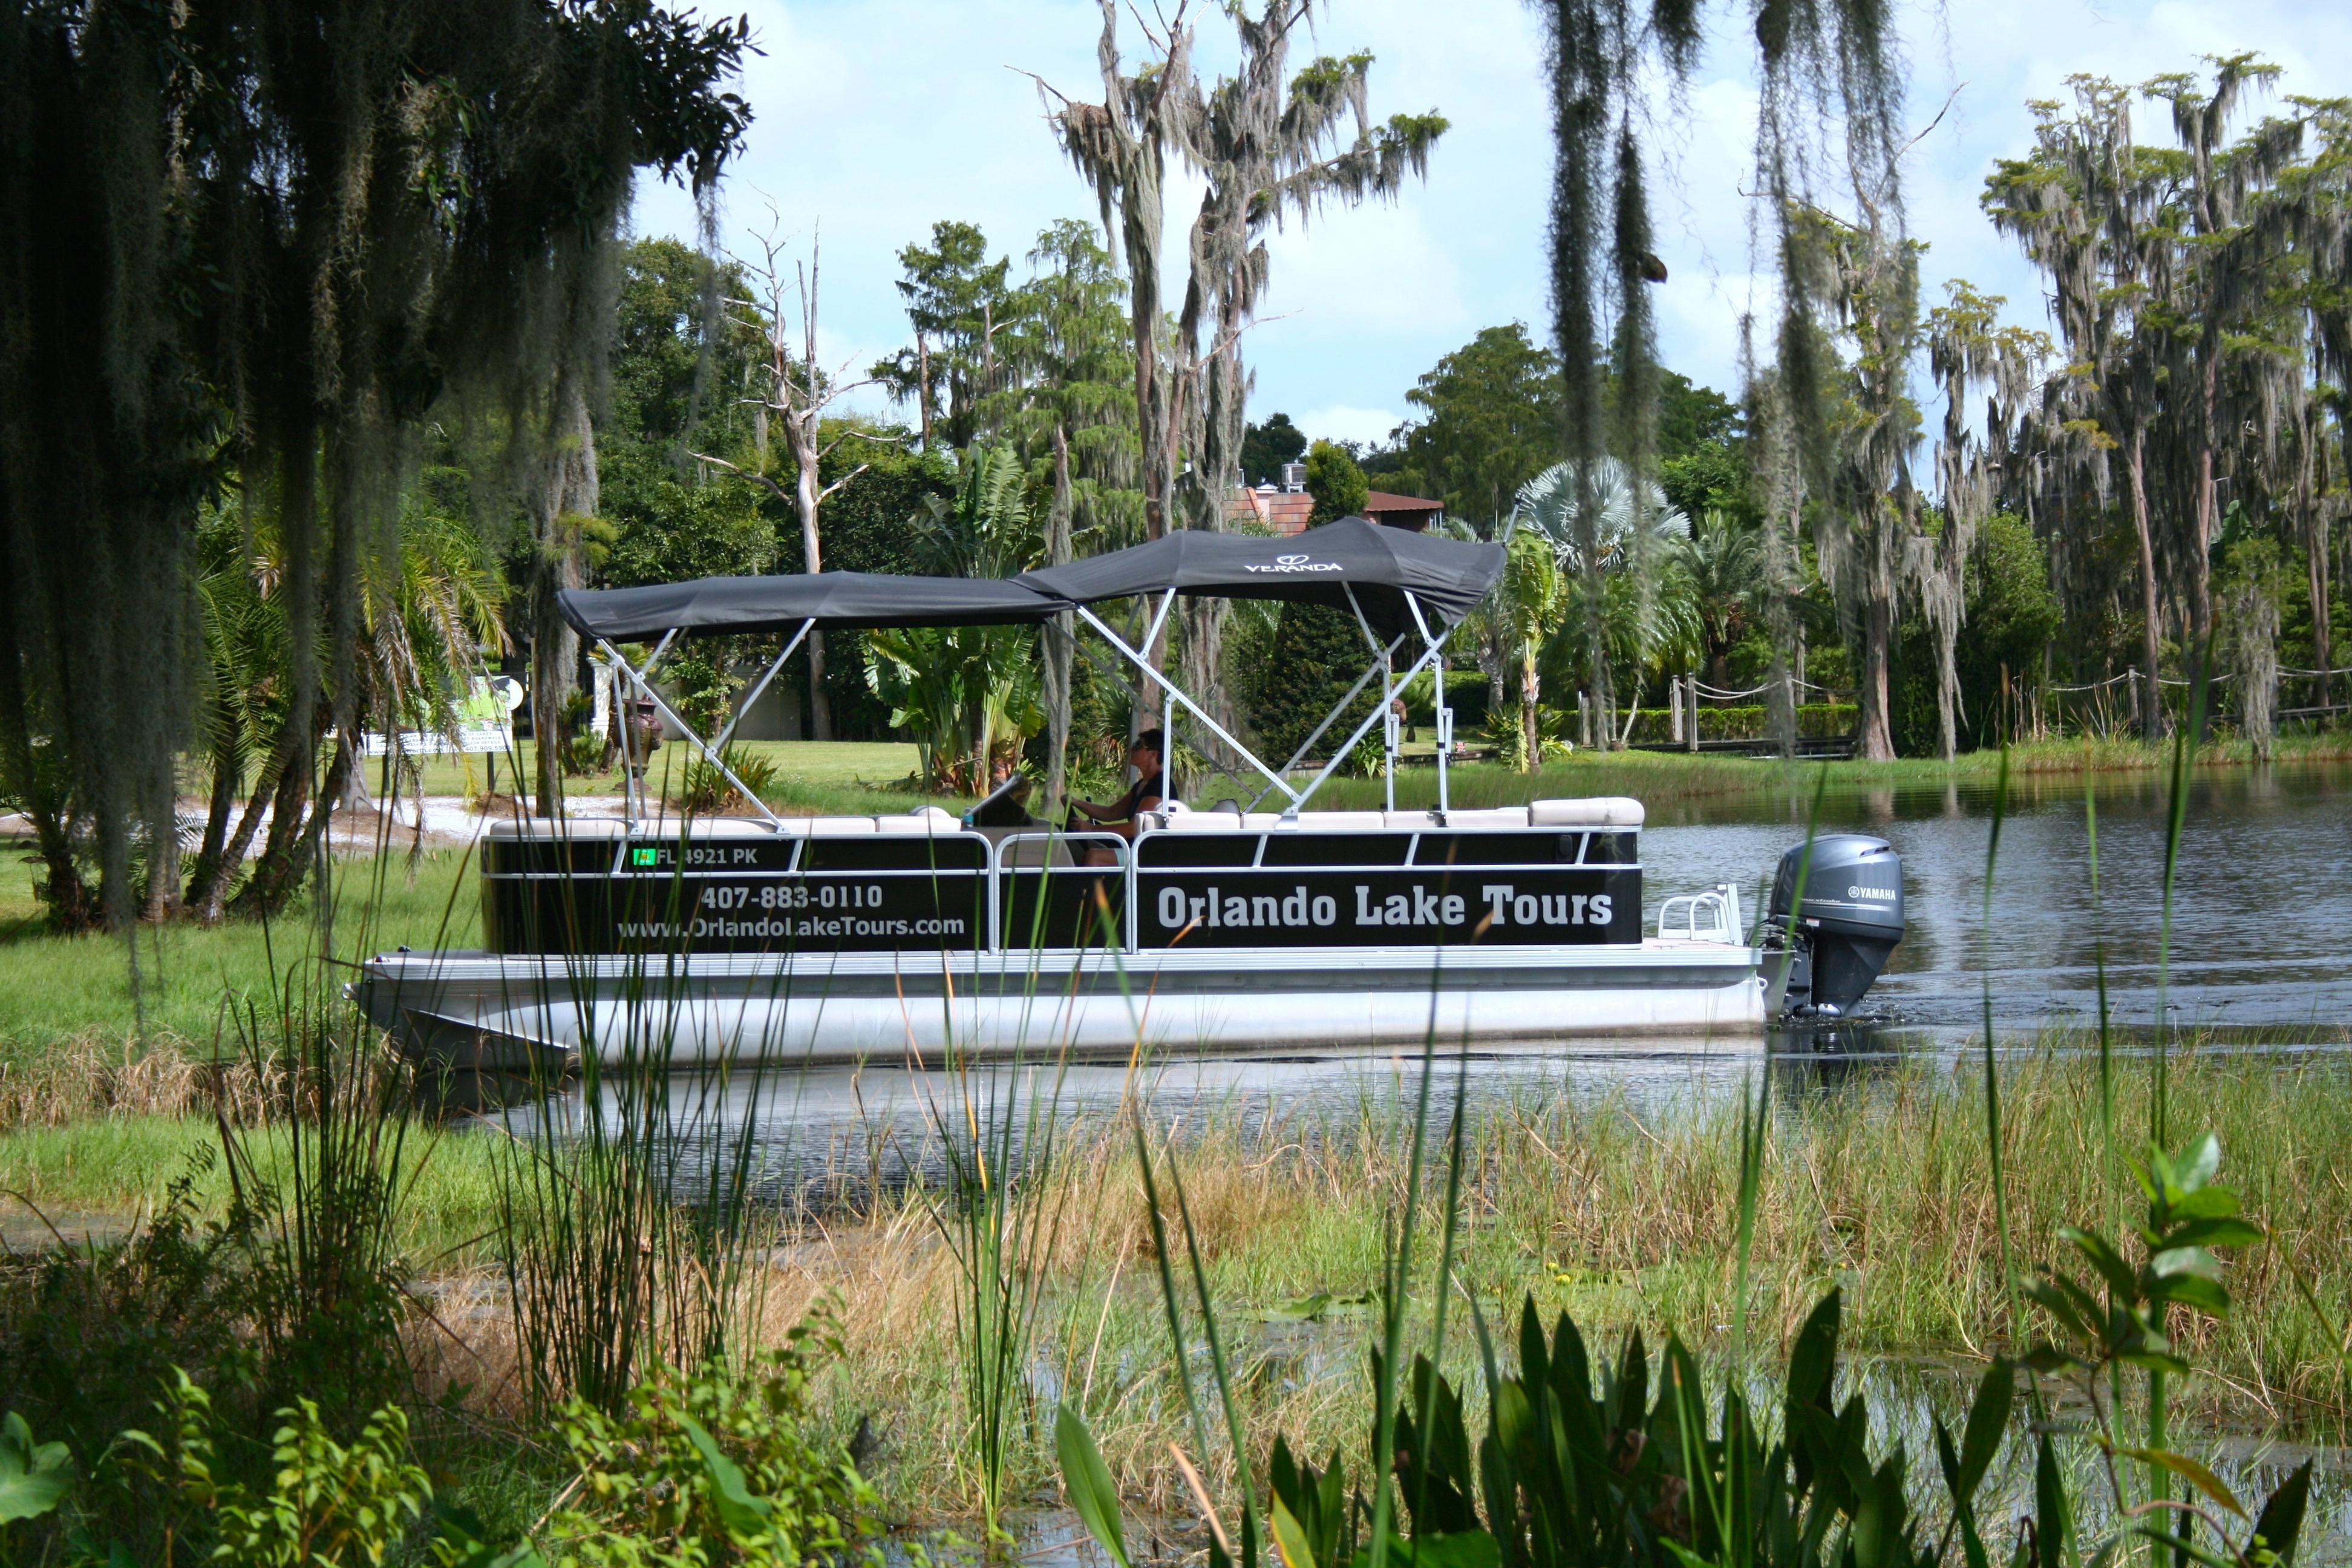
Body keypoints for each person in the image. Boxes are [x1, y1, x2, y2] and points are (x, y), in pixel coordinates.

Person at [1067, 728, 1166, 861]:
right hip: (1134, 847)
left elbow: (1134, 828)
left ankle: (1092, 882)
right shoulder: (1142, 784)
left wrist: (1091, 829)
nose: (1132, 750)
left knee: (1094, 856)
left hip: (1147, 854)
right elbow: (1111, 812)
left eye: (1138, 745)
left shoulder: (1160, 785)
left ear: (1153, 754)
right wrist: (1075, 802)